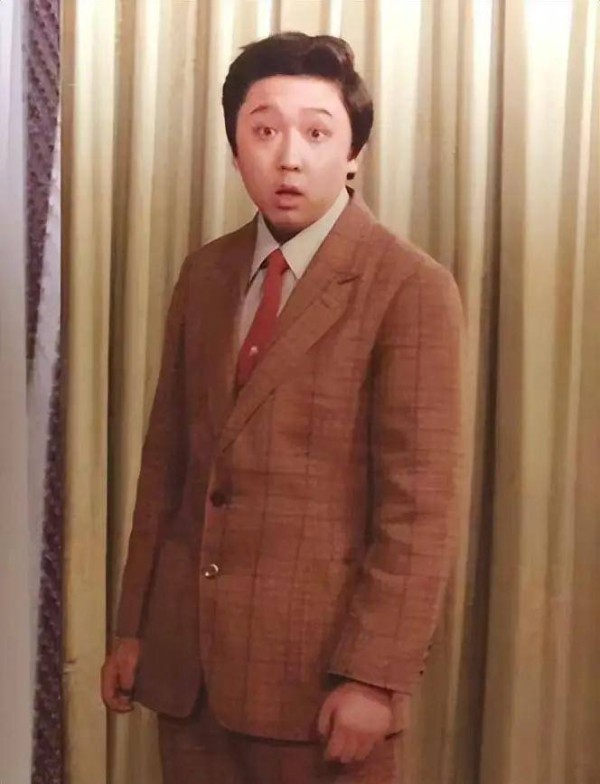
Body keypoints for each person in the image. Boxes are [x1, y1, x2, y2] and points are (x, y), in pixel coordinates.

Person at [101, 31, 465, 784]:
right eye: (264, 131)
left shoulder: (408, 287)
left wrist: (374, 679)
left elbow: (419, 510)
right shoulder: (205, 275)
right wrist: (135, 629)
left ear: (355, 152)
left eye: (317, 133)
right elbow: (166, 469)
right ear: (236, 149)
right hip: (188, 673)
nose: (289, 157)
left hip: (319, 686)